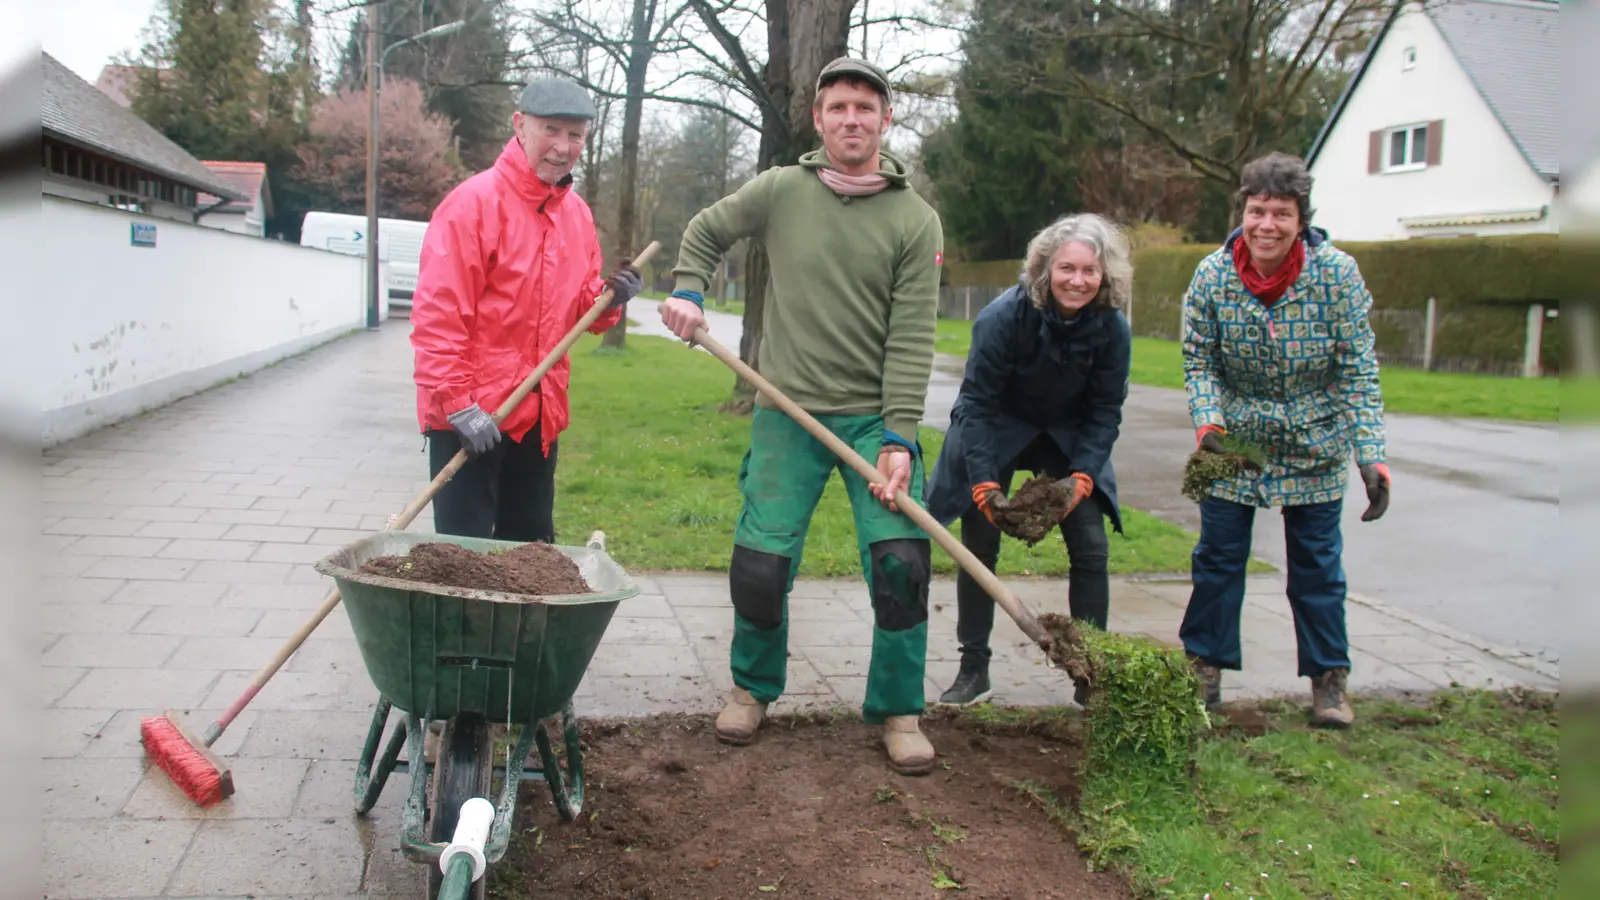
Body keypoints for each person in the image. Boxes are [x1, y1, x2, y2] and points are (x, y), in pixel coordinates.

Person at [658, 57, 944, 775]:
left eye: (866, 108)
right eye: (839, 107)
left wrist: (900, 435)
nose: (853, 119)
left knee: (902, 566)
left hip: (872, 420)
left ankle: (899, 708)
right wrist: (689, 291)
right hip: (786, 411)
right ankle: (752, 689)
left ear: (885, 120)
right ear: (819, 120)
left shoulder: (914, 219)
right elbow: (703, 231)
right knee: (760, 565)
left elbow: (912, 336)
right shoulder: (782, 190)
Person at [1178, 151, 1390, 729]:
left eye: (1281, 214)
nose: (1267, 224)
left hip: (1314, 437)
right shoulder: (1212, 275)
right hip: (1234, 438)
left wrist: (1370, 454)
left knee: (1317, 565)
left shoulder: (1337, 274)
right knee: (1218, 559)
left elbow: (1358, 370)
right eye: (1258, 210)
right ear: (1242, 212)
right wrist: (1209, 423)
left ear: (1302, 220)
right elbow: (1199, 362)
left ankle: (1329, 680)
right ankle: (1205, 667)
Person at [409, 77, 642, 543]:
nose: (562, 146)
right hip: (472, 418)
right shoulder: (472, 205)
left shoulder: (575, 215)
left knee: (530, 558)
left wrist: (609, 300)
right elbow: (439, 316)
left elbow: (577, 315)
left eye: (575, 135)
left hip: (538, 416)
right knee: (465, 561)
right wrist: (459, 408)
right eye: (550, 130)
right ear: (519, 126)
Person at [923, 213, 1133, 707]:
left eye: (1089, 271)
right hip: (996, 425)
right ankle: (974, 669)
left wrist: (1082, 477)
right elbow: (975, 404)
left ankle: (1089, 674)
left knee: (1090, 545)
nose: (1077, 280)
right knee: (980, 545)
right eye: (1067, 269)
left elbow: (1105, 411)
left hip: (1067, 434)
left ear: (1105, 276)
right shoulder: (1002, 317)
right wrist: (981, 482)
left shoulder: (1112, 329)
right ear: (1044, 269)